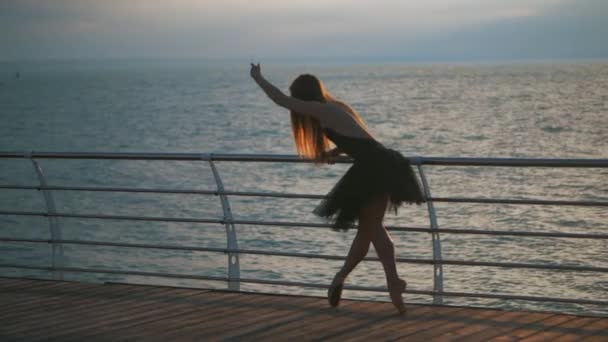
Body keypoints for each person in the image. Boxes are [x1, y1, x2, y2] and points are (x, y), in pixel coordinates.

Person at [250, 63, 425, 314]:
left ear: (303, 95)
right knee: (368, 230)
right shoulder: (333, 109)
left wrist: (258, 77)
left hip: (373, 166)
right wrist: (336, 150)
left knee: (371, 228)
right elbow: (358, 138)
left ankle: (388, 281)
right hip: (381, 161)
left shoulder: (319, 109)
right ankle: (350, 278)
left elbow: (280, 100)